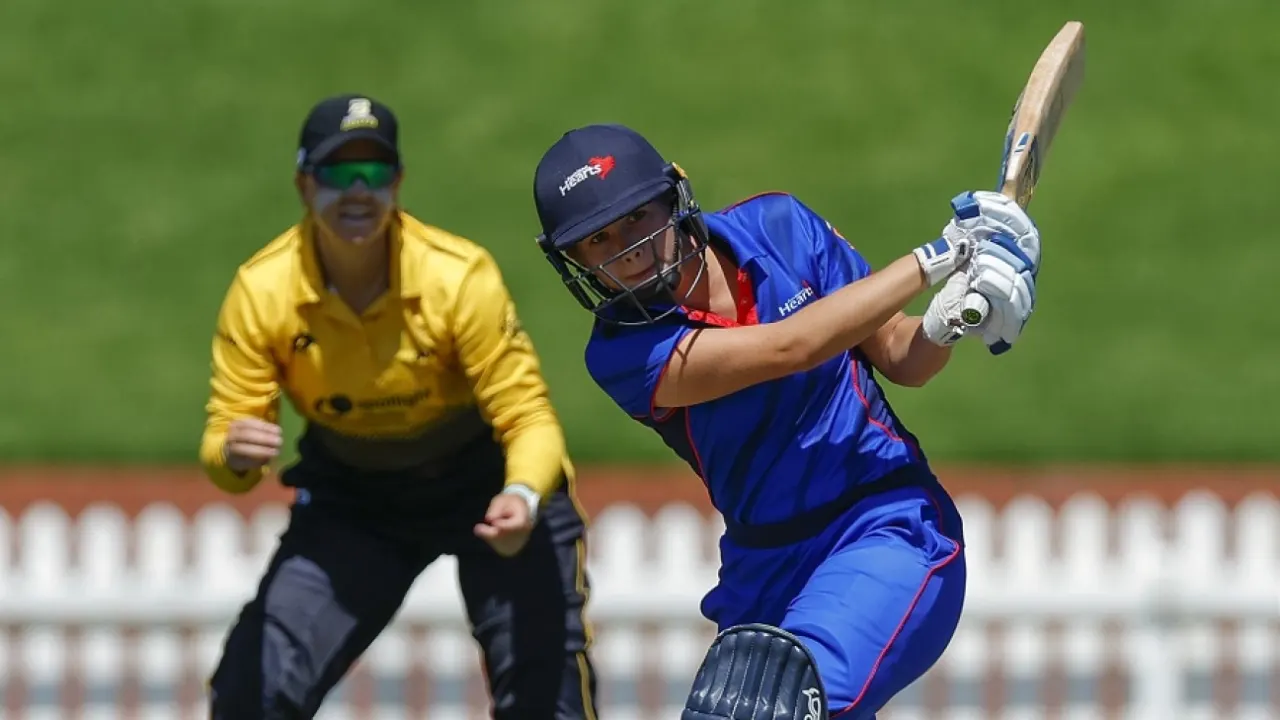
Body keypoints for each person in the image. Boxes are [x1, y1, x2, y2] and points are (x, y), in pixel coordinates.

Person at [530, 124, 1040, 719]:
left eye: (637, 216)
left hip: (886, 528)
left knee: (780, 706)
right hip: (763, 570)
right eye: (598, 240)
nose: (627, 249)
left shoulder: (782, 228)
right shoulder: (621, 353)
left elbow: (903, 357)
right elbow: (786, 349)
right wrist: (942, 256)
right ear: (573, 259)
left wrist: (946, 319)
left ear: (676, 193)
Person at [198, 94, 599, 720]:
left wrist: (521, 497)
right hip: (355, 501)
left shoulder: (458, 277)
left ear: (399, 182)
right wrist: (232, 453)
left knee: (550, 708)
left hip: (490, 489)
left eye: (376, 173)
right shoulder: (262, 291)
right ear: (304, 185)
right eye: (337, 174)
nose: (358, 192)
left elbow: (529, 418)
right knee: (251, 694)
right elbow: (227, 450)